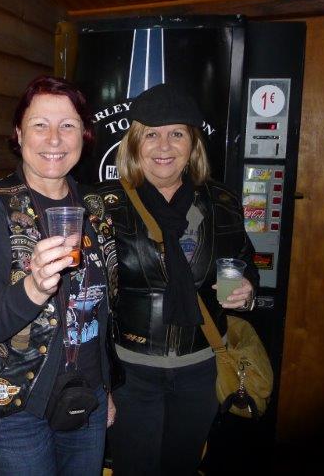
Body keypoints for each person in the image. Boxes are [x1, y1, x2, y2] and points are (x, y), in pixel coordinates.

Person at [94, 83, 260, 475]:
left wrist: (248, 289)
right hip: (129, 372)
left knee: (182, 467)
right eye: (151, 134)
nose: (164, 146)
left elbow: (245, 263)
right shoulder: (102, 205)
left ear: (193, 144)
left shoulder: (222, 203)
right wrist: (98, 378)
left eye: (177, 134)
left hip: (201, 370)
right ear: (135, 144)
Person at [0, 76, 118, 476]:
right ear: (18, 133)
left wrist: (106, 387)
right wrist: (32, 288)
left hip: (86, 400)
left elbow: (102, 312)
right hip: (14, 408)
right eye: (39, 125)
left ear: (84, 134)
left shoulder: (95, 206)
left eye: (68, 125)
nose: (54, 139)